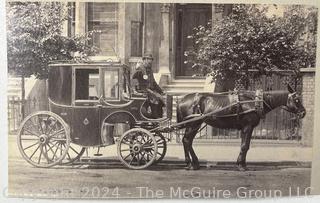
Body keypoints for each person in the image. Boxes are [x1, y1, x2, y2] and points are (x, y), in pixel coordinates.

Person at [132, 53, 165, 118]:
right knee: (156, 99)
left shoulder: (150, 70)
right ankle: (154, 117)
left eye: (151, 60)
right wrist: (153, 93)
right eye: (148, 60)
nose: (150, 62)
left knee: (161, 101)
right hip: (143, 91)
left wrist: (161, 91)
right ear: (144, 60)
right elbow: (134, 80)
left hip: (150, 91)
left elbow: (154, 83)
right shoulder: (140, 69)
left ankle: (157, 117)